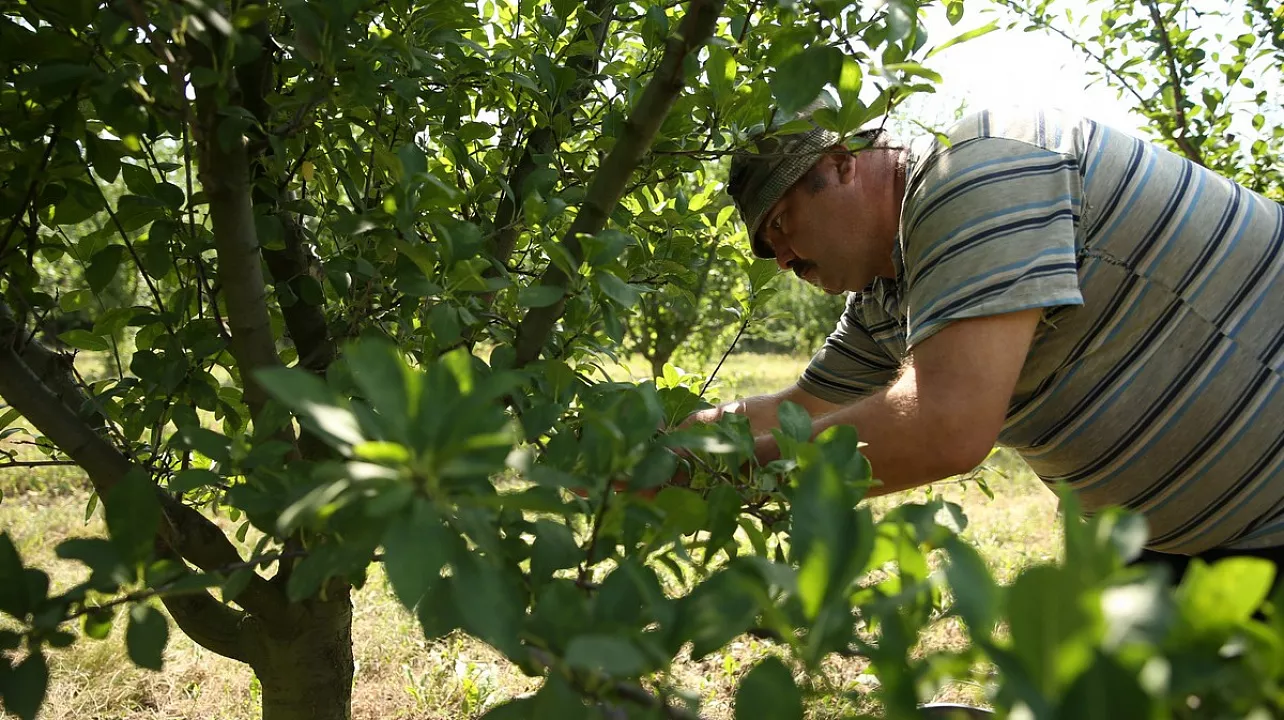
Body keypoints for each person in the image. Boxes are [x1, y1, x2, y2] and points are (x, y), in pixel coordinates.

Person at [686, 97, 1284, 581]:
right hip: (1177, 547)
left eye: (781, 224)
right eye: (767, 246)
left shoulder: (972, 170)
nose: (782, 258)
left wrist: (705, 478)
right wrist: (652, 444)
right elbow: (799, 409)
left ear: (842, 160)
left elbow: (944, 426)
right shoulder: (885, 296)